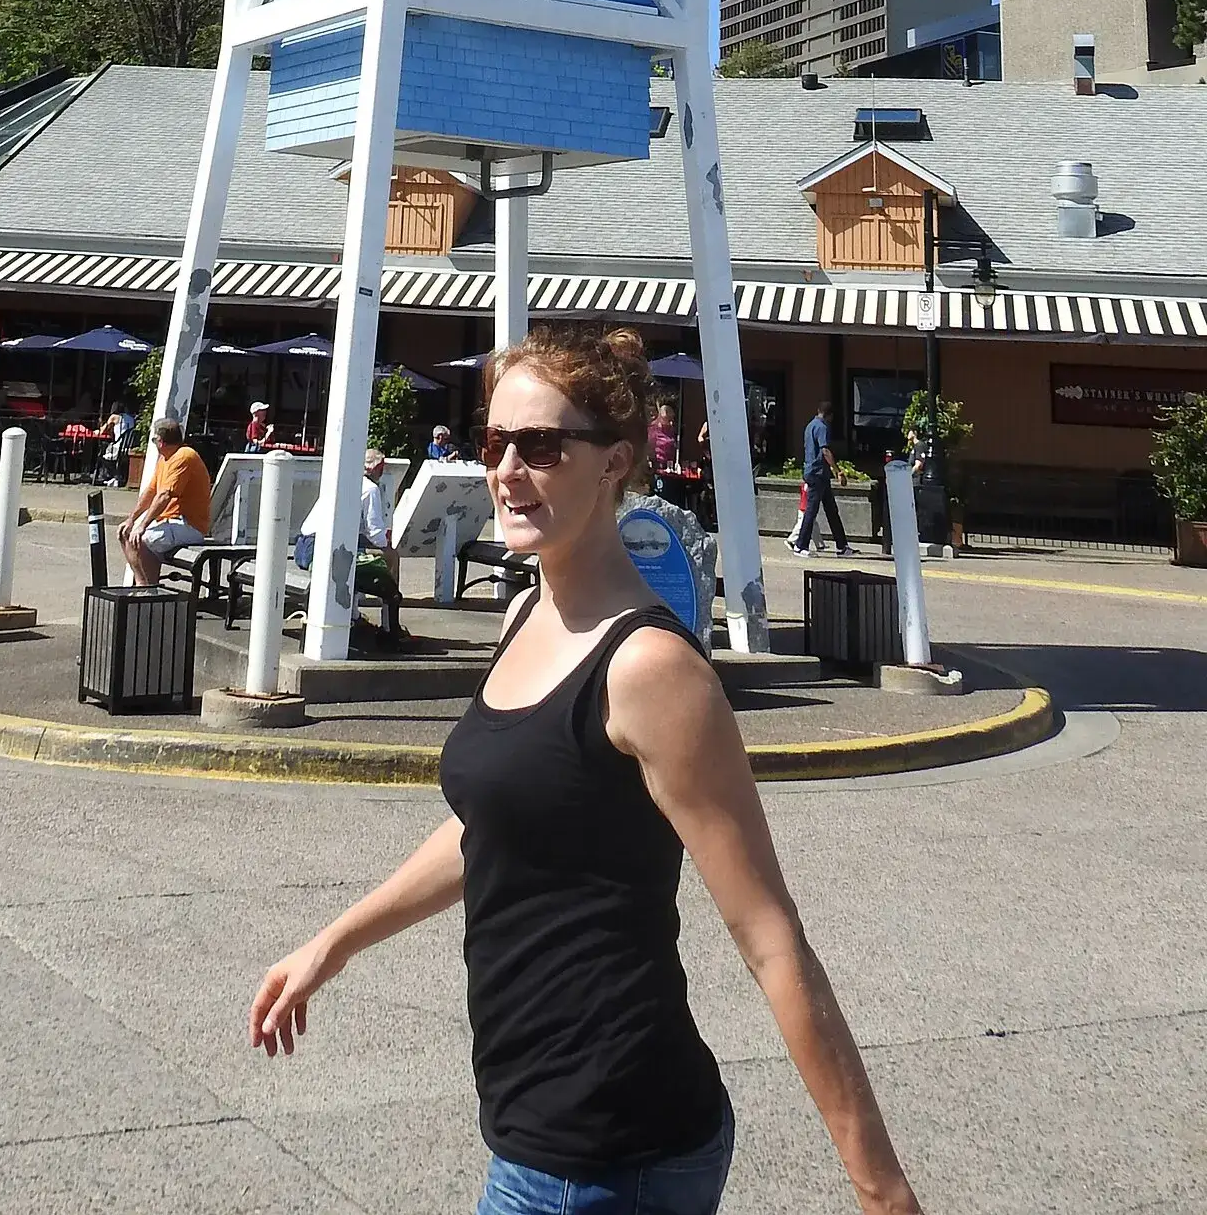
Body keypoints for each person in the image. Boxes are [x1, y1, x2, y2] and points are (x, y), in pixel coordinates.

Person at [251, 325, 925, 1215]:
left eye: (541, 446)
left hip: (606, 1155)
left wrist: (880, 1190)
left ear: (614, 463)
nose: (506, 471)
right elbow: (499, 823)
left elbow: (770, 935)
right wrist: (333, 944)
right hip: (535, 1129)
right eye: (496, 443)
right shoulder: (524, 614)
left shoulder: (651, 669)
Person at [116, 415, 212, 584]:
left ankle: (143, 587)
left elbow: (164, 495)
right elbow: (152, 491)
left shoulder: (184, 456)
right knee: (126, 533)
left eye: (154, 440)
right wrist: (131, 519)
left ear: (160, 441)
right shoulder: (165, 459)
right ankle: (149, 588)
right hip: (171, 521)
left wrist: (143, 525)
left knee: (142, 539)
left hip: (190, 525)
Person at [793, 401, 852, 558]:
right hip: (818, 473)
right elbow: (825, 450)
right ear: (829, 415)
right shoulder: (822, 427)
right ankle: (800, 545)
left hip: (816, 473)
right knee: (812, 510)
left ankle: (842, 546)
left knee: (831, 510)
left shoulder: (810, 425)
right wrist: (837, 470)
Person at [646, 398, 680, 500]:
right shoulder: (653, 429)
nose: (670, 421)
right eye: (668, 417)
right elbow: (648, 447)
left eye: (671, 418)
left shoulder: (671, 430)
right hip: (657, 469)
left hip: (670, 469)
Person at [99, 400, 136, 488]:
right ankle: (115, 476)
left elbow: (102, 431)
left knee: (101, 454)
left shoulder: (114, 417)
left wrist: (102, 424)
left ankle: (114, 476)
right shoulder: (131, 418)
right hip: (128, 446)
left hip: (118, 446)